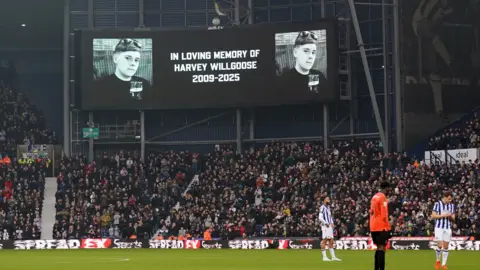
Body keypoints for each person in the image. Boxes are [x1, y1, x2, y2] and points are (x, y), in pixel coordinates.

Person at [94, 38, 151, 104]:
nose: (133, 63)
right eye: (128, 58)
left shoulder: (145, 85)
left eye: (136, 60)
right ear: (115, 58)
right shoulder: (100, 86)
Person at [369, 181, 392, 270]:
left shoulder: (374, 196)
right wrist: (388, 228)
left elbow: (371, 211)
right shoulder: (383, 198)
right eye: (389, 189)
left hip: (373, 226)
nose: (389, 191)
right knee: (382, 248)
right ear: (386, 188)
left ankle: (376, 268)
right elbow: (384, 215)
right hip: (380, 226)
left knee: (378, 247)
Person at [431, 190, 455, 269]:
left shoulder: (451, 206)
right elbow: (433, 216)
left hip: (447, 228)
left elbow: (453, 219)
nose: (450, 200)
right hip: (439, 227)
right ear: (444, 197)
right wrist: (443, 215)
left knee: (445, 246)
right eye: (448, 199)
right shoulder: (437, 204)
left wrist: (450, 216)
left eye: (450, 199)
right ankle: (438, 260)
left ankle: (443, 264)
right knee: (440, 245)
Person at [319, 196, 341, 261]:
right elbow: (320, 217)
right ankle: (324, 257)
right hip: (325, 226)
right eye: (327, 199)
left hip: (329, 226)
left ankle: (333, 257)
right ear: (324, 200)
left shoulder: (328, 207)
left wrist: (332, 223)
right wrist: (325, 223)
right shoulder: (322, 207)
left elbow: (330, 216)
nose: (329, 200)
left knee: (331, 240)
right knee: (324, 240)